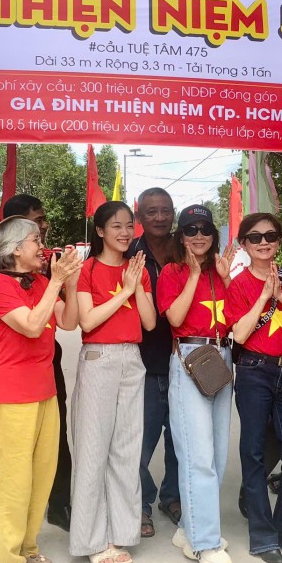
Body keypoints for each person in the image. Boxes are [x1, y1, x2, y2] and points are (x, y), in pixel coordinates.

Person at [0, 215, 81, 563]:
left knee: (40, 475)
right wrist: (57, 281)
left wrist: (71, 282)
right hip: (11, 395)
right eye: (36, 240)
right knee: (13, 479)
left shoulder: (39, 283)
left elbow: (69, 322)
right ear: (15, 249)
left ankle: (27, 547)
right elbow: (33, 326)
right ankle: (4, 561)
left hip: (44, 391)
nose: (42, 247)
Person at [70, 201, 158, 563]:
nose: (124, 232)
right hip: (99, 359)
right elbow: (87, 321)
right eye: (116, 226)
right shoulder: (87, 269)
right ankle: (91, 539)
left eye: (128, 225)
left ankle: (120, 533)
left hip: (132, 360)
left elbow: (150, 323)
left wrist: (136, 287)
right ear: (100, 231)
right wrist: (125, 291)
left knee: (126, 449)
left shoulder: (138, 269)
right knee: (93, 450)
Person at [157, 204, 236, 563]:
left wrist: (227, 279)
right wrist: (191, 275)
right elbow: (174, 317)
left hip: (221, 357)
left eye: (205, 229)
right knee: (197, 454)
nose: (198, 235)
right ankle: (205, 543)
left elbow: (238, 317)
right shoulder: (172, 272)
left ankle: (190, 528)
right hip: (189, 356)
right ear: (181, 235)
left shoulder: (220, 271)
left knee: (217, 454)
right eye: (190, 229)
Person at [226, 213, 282, 563]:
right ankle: (262, 534)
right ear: (244, 244)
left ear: (279, 240)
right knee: (253, 451)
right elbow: (239, 334)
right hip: (254, 370)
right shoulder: (239, 283)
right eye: (255, 238)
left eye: (271, 236)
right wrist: (265, 298)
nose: (264, 242)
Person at [126, 188, 181, 538]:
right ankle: (141, 503)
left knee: (180, 441)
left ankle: (172, 498)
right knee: (139, 444)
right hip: (141, 363)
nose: (160, 217)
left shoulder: (186, 250)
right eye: (151, 211)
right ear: (139, 217)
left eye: (165, 210)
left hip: (183, 363)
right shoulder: (129, 254)